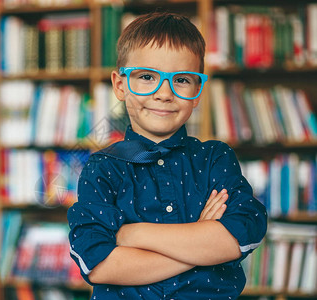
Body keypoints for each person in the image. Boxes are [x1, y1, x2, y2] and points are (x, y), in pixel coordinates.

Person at [67, 11, 267, 299]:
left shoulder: (215, 158)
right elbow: (99, 264)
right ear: (120, 85)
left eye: (182, 80)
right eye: (147, 77)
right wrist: (199, 239)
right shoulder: (103, 168)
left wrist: (133, 234)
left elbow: (242, 234)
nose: (164, 93)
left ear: (198, 91)